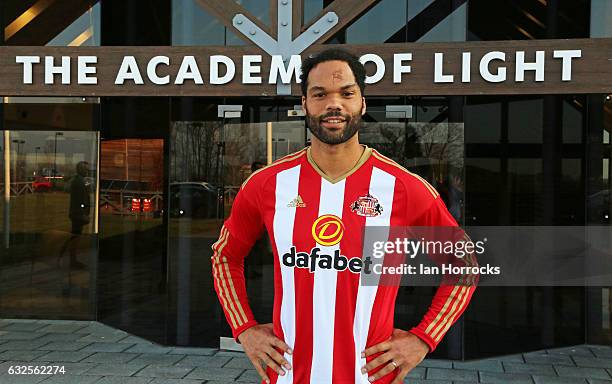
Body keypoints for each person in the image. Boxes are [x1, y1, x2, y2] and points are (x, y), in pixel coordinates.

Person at [211, 48, 477, 384]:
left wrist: (423, 339)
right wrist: (245, 330)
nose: (333, 104)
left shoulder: (404, 188)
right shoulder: (267, 184)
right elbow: (225, 256)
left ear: (362, 103)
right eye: (319, 94)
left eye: (347, 93)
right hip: (288, 376)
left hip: (370, 377)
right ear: (304, 104)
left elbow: (464, 264)